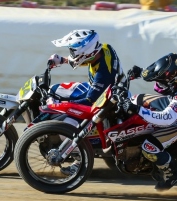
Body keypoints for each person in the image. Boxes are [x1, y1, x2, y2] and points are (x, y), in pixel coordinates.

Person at [122, 53, 177, 191]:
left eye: (163, 82)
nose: (160, 84)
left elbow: (165, 118)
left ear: (175, 81)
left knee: (149, 147)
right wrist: (141, 73)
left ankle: (173, 173)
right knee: (135, 98)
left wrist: (138, 110)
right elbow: (163, 71)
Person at [47, 29, 126, 175]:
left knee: (68, 124)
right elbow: (83, 59)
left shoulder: (103, 74)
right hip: (103, 91)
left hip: (107, 102)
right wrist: (64, 60)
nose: (71, 53)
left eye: (73, 51)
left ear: (87, 52)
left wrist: (62, 105)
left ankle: (80, 161)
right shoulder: (103, 49)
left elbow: (90, 101)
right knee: (55, 90)